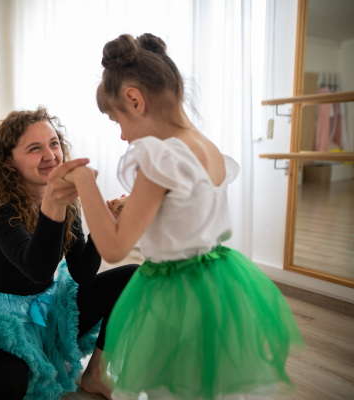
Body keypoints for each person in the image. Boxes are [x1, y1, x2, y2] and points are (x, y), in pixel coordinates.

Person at [63, 33, 305, 400]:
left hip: (173, 292)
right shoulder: (205, 147)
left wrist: (83, 181)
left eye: (117, 121)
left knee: (168, 386)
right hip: (216, 284)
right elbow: (188, 213)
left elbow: (113, 248)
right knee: (206, 384)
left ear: (134, 99)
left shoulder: (161, 157)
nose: (123, 135)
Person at [0, 107, 138, 400]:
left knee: (133, 277)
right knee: (1, 386)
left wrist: (103, 226)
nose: (51, 156)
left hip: (51, 310)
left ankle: (96, 373)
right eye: (35, 149)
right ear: (9, 162)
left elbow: (83, 274)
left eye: (54, 144)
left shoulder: (66, 202)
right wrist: (56, 204)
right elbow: (37, 269)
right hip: (4, 322)